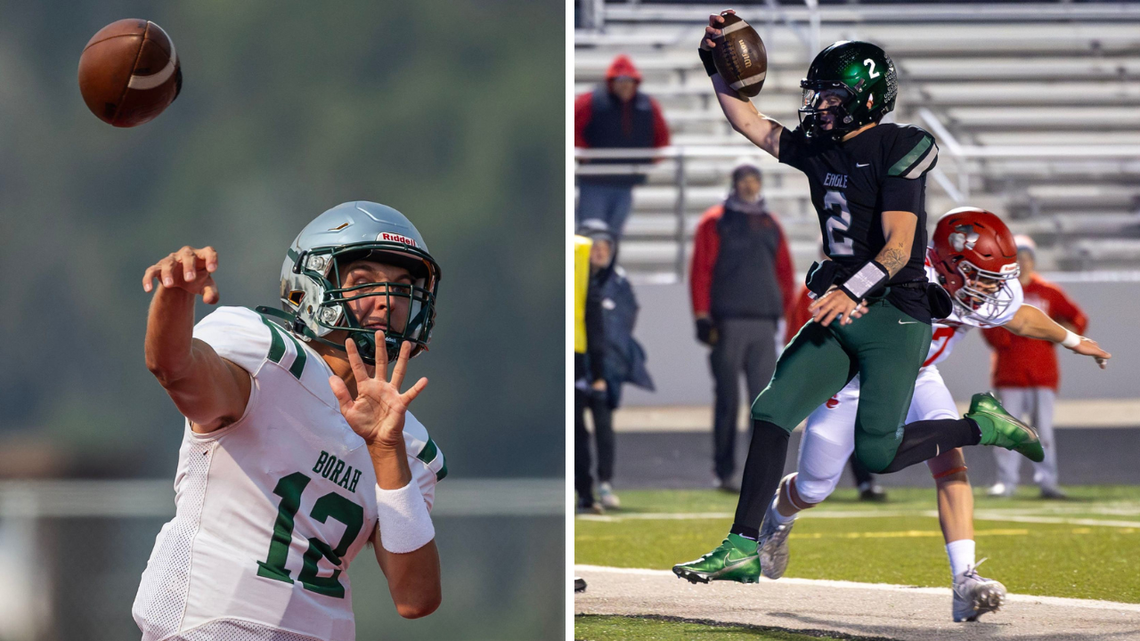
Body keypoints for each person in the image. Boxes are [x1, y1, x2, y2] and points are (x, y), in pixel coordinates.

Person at [674, 17, 1057, 593]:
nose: (818, 107)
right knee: (774, 409)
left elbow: (900, 248)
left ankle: (980, 426)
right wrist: (715, 67)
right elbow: (750, 122)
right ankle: (741, 547)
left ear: (865, 100)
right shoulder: (820, 151)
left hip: (894, 312)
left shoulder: (900, 146)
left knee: (878, 453)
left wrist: (849, 290)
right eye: (818, 96)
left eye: (830, 96)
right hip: (842, 304)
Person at [749, 208, 1110, 621]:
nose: (989, 289)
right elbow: (836, 285)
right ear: (946, 262)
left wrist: (1073, 339)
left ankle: (965, 581)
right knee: (814, 488)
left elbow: (1021, 318)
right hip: (853, 377)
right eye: (980, 277)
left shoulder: (979, 290)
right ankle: (777, 520)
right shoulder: (896, 268)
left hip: (918, 373)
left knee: (951, 457)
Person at [133, 202, 446, 640]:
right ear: (311, 285)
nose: (387, 300)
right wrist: (176, 296)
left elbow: (416, 598)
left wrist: (385, 450)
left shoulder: (405, 439)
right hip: (209, 627)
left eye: (402, 285)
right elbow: (175, 369)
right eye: (364, 281)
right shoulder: (268, 360)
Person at [690, 160, 794, 491]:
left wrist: (785, 320)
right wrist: (702, 316)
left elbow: (785, 273)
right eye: (745, 180)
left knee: (762, 404)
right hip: (728, 322)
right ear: (735, 184)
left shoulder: (770, 223)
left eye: (754, 180)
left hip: (765, 324)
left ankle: (758, 473)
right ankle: (723, 472)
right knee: (727, 401)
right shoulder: (715, 222)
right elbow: (701, 270)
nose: (750, 186)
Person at [983, 235, 1089, 499]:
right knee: (1007, 431)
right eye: (1018, 257)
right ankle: (1006, 482)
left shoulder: (1048, 291)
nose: (1023, 262)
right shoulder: (1001, 293)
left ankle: (1047, 481)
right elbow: (990, 329)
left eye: (1027, 257)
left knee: (1043, 432)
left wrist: (1065, 334)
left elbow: (1077, 318)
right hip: (1010, 372)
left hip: (1042, 372)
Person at [785, 282, 887, 502]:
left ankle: (863, 482)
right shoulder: (809, 290)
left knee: (856, 425)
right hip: (822, 366)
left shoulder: (865, 286)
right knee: (821, 426)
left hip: (854, 367)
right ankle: (810, 480)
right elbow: (796, 328)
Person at [577, 220, 655, 508]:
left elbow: (627, 319)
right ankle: (583, 486)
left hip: (607, 367)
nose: (599, 252)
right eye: (594, 246)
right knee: (577, 432)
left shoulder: (619, 281)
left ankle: (605, 482)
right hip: (579, 365)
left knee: (604, 427)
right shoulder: (575, 278)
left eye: (604, 247)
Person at [574, 54, 671, 237]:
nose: (625, 85)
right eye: (620, 81)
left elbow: (662, 137)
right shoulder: (590, 101)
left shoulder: (647, 105)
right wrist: (585, 155)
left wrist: (649, 159)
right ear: (611, 82)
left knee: (613, 236)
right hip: (594, 182)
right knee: (589, 234)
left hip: (625, 182)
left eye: (630, 81)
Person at [574, 233, 607, 513]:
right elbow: (592, 314)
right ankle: (585, 493)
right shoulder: (581, 250)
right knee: (577, 431)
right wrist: (599, 371)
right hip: (576, 351)